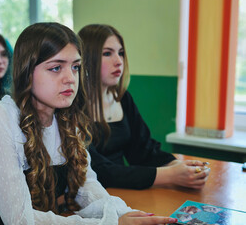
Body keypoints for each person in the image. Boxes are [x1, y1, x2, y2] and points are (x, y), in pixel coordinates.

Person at [0, 22, 177, 224]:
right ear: (26, 72)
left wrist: (123, 214)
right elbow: (20, 219)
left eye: (75, 67)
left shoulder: (66, 117)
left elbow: (85, 186)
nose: (71, 78)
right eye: (56, 68)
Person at [78, 24, 209, 190]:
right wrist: (171, 175)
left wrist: (178, 166)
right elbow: (99, 171)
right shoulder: (72, 108)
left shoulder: (123, 98)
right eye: (107, 53)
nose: (118, 61)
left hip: (124, 193)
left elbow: (143, 150)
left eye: (121, 53)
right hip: (91, 198)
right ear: (86, 59)